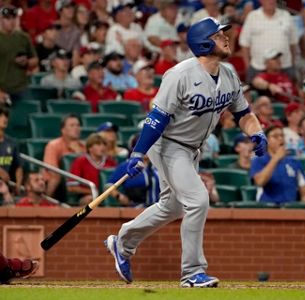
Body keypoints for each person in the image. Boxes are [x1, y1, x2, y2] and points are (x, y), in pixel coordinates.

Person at [104, 17, 267, 288]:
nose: (226, 38)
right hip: (168, 144)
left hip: (192, 149)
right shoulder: (179, 74)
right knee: (198, 200)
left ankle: (123, 242)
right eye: (219, 35)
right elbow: (156, 118)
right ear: (204, 42)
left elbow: (244, 113)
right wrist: (138, 153)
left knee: (172, 206)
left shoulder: (228, 74)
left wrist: (257, 132)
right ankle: (192, 272)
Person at [249, 126, 305, 204]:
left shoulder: (294, 161)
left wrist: (304, 203)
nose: (280, 138)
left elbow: (303, 185)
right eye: (275, 136)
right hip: (267, 207)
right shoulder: (259, 160)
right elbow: (259, 182)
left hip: (290, 208)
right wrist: (276, 158)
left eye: (282, 135)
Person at [106, 134, 160, 207]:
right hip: (136, 207)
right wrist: (119, 196)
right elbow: (108, 185)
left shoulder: (158, 164)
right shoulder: (127, 165)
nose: (147, 149)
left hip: (159, 207)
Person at [0, 5, 38, 102]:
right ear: (1, 19)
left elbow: (35, 60)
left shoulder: (23, 37)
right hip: (2, 87)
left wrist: (26, 62)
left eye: (13, 18)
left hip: (21, 87)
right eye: (7, 18)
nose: (11, 21)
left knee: (27, 112)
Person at [67, 133, 117, 205]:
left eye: (104, 144)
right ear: (90, 148)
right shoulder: (80, 161)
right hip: (88, 196)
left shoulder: (111, 162)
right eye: (98, 144)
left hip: (109, 196)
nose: (102, 147)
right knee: (90, 199)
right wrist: (94, 191)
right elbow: (71, 187)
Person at [43, 114, 85, 197]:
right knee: (55, 177)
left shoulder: (84, 147)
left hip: (79, 182)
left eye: (78, 125)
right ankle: (46, 202)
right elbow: (52, 169)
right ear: (63, 130)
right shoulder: (53, 145)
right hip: (59, 182)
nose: (76, 128)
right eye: (72, 125)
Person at [0, 105, 23, 195]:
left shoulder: (12, 142)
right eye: (0, 116)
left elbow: (18, 166)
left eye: (6, 116)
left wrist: (18, 183)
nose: (4, 119)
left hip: (6, 187)